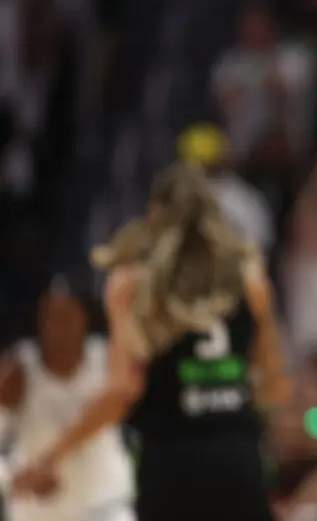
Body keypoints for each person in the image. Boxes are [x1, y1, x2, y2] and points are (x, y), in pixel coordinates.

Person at [10, 163, 291, 521]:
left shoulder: (133, 285)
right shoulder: (251, 283)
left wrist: (53, 455)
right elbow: (274, 384)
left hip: (171, 461)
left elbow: (124, 389)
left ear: (156, 215)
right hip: (237, 456)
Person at [0, 277, 136, 521]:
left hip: (105, 506)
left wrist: (50, 458)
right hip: (39, 514)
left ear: (85, 318)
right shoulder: (17, 371)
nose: (56, 327)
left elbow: (122, 397)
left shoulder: (109, 360)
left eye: (66, 316)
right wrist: (12, 479)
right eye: (49, 316)